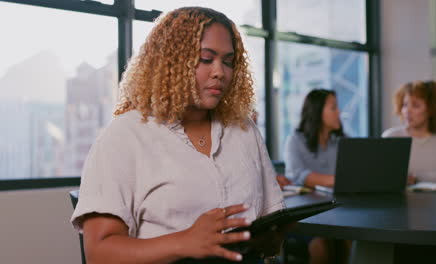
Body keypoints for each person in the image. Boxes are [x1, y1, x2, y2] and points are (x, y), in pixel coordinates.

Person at [70, 7, 285, 264]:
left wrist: (267, 237)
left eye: (228, 61)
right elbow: (99, 254)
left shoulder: (244, 129)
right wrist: (184, 242)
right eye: (206, 59)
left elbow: (269, 214)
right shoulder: (124, 136)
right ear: (171, 61)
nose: (220, 72)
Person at [284, 89, 349, 264]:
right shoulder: (295, 140)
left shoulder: (341, 141)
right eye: (333, 108)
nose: (339, 112)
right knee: (321, 244)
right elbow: (298, 175)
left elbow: (353, 171)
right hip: (306, 212)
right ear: (317, 111)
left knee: (351, 238)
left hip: (339, 209)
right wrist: (337, 180)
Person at [382, 80, 436, 185]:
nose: (407, 111)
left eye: (415, 105)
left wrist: (414, 178)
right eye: (405, 105)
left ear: (432, 110)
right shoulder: (391, 136)